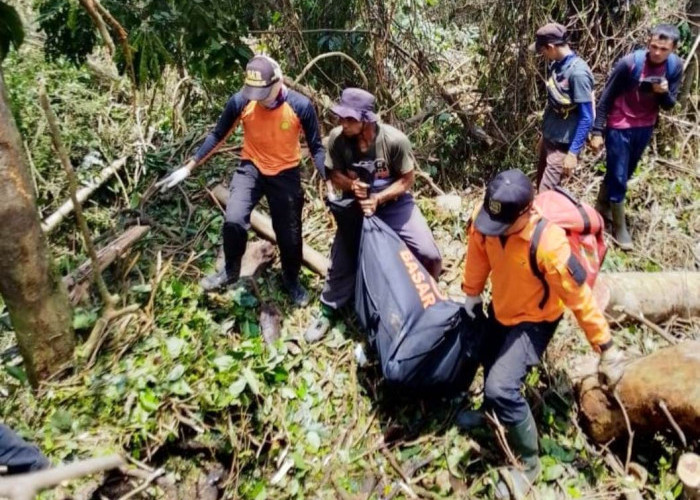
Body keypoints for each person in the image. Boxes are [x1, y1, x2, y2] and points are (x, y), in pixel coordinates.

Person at [458, 169, 625, 498]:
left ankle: (529, 463)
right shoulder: (488, 219)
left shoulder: (549, 243)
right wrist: (472, 294)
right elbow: (478, 251)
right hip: (503, 306)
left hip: (536, 319)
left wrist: (604, 345)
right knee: (487, 358)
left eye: (503, 225)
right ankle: (492, 415)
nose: (496, 230)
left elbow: (578, 297)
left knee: (501, 386)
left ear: (526, 212)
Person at [156, 55, 325, 305]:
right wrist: (189, 167)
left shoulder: (301, 106)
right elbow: (218, 135)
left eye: (264, 92)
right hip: (251, 168)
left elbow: (316, 149)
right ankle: (231, 270)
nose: (259, 98)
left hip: (285, 173)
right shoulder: (242, 101)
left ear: (278, 82)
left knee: (289, 234)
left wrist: (328, 178)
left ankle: (291, 279)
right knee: (234, 219)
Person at [304, 88, 442, 342]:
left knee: (428, 253)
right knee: (344, 255)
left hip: (393, 202)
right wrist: (351, 186)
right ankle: (328, 309)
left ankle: (426, 297)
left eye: (350, 119)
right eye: (341, 118)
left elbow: (407, 180)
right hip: (355, 204)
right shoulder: (337, 139)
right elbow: (333, 174)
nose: (342, 124)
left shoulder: (394, 141)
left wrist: (379, 198)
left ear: (367, 119)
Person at [590, 24, 683, 250]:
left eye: (663, 49)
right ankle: (619, 229)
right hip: (619, 124)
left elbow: (670, 105)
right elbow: (606, 97)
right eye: (653, 46)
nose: (657, 53)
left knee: (623, 172)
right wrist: (596, 131)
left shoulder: (675, 67)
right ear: (648, 43)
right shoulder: (630, 64)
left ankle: (601, 207)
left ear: (673, 49)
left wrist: (663, 93)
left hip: (645, 126)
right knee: (619, 176)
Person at [531, 23, 595, 192]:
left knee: (546, 194)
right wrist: (544, 135)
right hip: (550, 137)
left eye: (542, 50)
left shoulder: (578, 74)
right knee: (540, 186)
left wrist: (573, 153)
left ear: (551, 47)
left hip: (563, 144)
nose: (542, 54)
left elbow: (587, 117)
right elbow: (553, 103)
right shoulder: (556, 65)